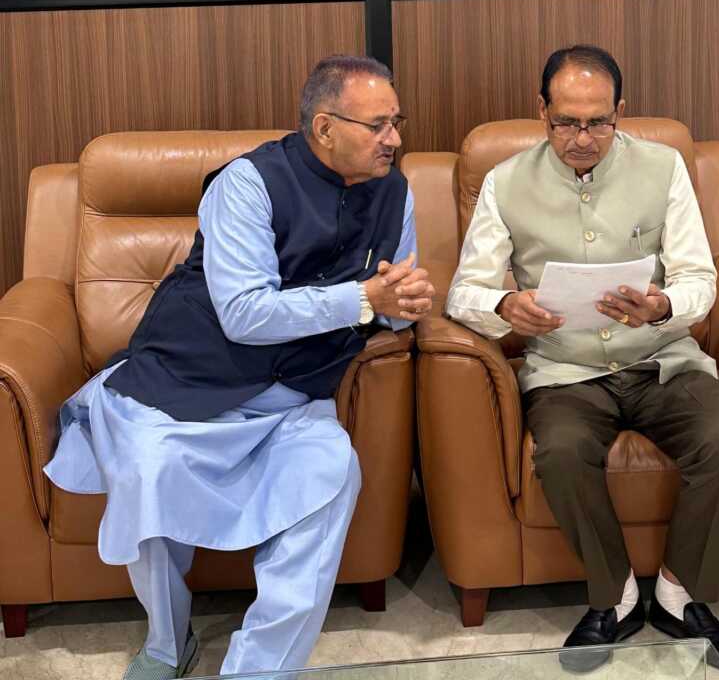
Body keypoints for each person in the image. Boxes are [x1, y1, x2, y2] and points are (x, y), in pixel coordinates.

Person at [44, 55, 435, 680]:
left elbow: (389, 298)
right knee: (147, 470)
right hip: (185, 382)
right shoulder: (247, 183)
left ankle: (258, 670)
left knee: (331, 474)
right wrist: (364, 299)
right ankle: (167, 643)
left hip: (293, 396)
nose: (394, 138)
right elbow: (245, 314)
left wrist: (402, 305)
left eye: (398, 122)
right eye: (378, 125)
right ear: (325, 127)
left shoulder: (396, 192)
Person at [445, 45, 719, 673]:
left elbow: (700, 278)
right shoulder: (505, 181)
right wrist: (505, 306)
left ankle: (677, 594)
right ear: (542, 111)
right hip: (565, 369)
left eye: (598, 123)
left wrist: (663, 306)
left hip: (662, 358)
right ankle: (615, 596)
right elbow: (462, 292)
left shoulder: (664, 167)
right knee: (560, 454)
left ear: (620, 112)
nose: (582, 138)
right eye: (566, 122)